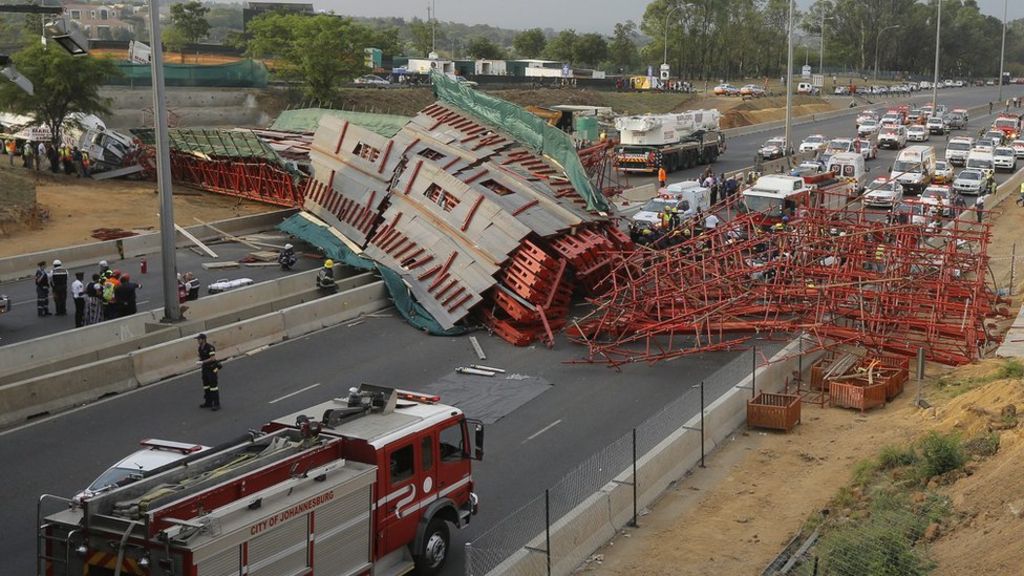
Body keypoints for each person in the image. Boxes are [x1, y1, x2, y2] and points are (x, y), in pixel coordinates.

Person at [196, 333, 221, 411]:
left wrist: (203, 362)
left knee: (213, 387)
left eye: (199, 339)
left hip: (211, 369)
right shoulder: (200, 348)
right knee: (206, 386)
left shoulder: (210, 348)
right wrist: (200, 361)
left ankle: (216, 404)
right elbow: (200, 356)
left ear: (203, 339)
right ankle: (208, 402)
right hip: (205, 369)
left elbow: (213, 358)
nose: (197, 341)